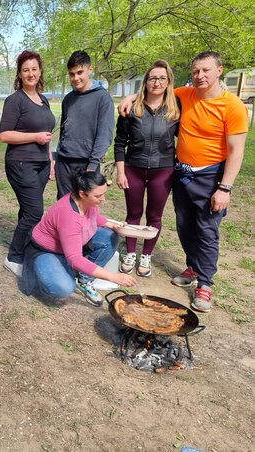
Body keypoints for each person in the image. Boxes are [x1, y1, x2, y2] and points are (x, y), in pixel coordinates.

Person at [118, 51, 248, 312]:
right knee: (185, 225)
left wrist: (225, 188)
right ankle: (193, 267)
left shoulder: (232, 105)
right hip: (182, 174)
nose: (200, 76)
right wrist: (130, 96)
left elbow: (237, 151)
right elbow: (153, 90)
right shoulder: (184, 96)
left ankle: (205, 284)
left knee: (207, 230)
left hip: (211, 176)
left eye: (206, 71)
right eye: (196, 71)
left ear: (219, 71)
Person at [21, 171, 136, 305]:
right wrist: (113, 277)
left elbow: (95, 218)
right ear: (82, 193)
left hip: (70, 245)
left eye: (104, 193)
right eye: (98, 195)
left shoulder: (88, 202)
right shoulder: (68, 216)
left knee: (110, 236)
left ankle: (84, 281)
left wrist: (113, 225)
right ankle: (43, 271)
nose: (103, 198)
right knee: (64, 288)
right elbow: (75, 259)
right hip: (47, 251)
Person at [114, 60, 180, 277]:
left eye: (162, 78)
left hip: (163, 170)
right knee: (133, 214)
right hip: (133, 168)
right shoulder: (132, 109)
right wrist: (121, 172)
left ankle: (146, 256)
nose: (157, 82)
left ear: (168, 80)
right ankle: (131, 253)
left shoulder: (176, 106)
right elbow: (120, 142)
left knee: (155, 216)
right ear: (146, 81)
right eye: (152, 78)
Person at [0, 50, 56, 277]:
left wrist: (50, 162)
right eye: (26, 70)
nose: (30, 74)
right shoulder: (15, 100)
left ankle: (25, 250)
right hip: (21, 164)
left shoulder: (43, 100)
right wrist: (35, 137)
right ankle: (13, 258)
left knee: (27, 211)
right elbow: (4, 135)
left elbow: (48, 135)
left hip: (42, 164)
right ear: (20, 74)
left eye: (34, 69)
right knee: (34, 212)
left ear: (40, 71)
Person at [55, 50, 114, 199]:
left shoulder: (102, 97)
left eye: (80, 72)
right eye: (72, 74)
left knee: (86, 206)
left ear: (90, 70)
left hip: (87, 163)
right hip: (64, 162)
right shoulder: (68, 99)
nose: (76, 78)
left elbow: (104, 134)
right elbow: (64, 130)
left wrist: (92, 166)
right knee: (65, 206)